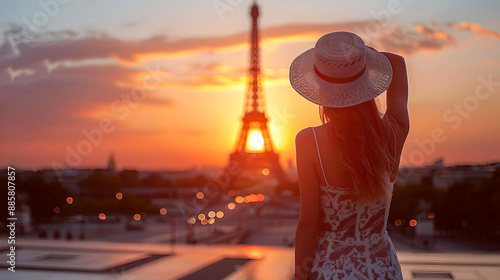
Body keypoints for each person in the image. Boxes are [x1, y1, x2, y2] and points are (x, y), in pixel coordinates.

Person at [290, 31, 409, 279]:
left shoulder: (308, 141)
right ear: (367, 82)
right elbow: (397, 62)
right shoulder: (394, 132)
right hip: (382, 270)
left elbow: (309, 226)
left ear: (321, 88)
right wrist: (359, 61)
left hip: (331, 271)